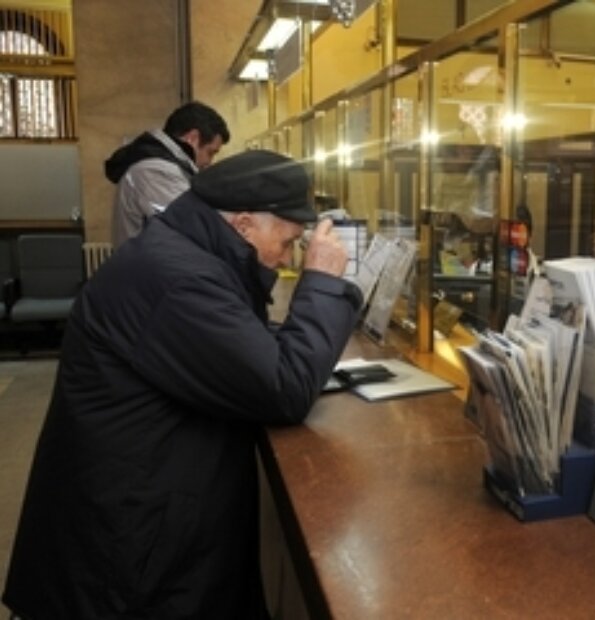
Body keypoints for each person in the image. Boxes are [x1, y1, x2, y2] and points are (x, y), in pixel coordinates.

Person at [3, 150, 363, 619]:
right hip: (130, 552)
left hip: (143, 518)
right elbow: (285, 387)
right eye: (289, 241)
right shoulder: (179, 280)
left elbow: (229, 342)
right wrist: (321, 282)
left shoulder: (184, 254)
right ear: (243, 225)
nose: (287, 258)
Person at [106, 100, 230, 247]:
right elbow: (194, 228)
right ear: (193, 138)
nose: (209, 162)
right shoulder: (154, 171)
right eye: (210, 152)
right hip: (151, 268)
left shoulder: (165, 167)